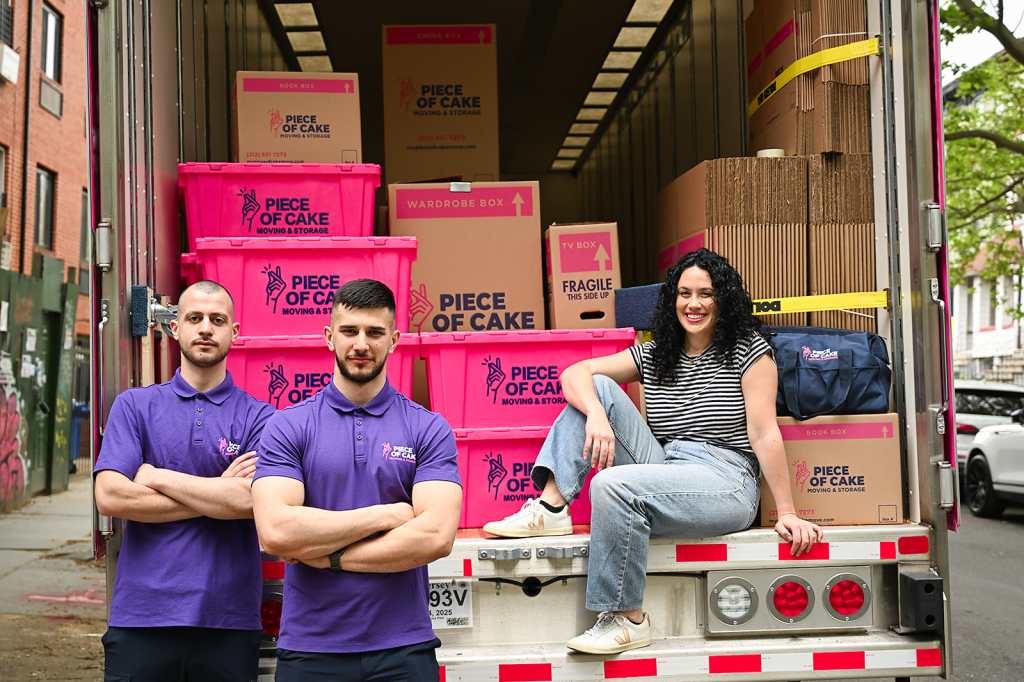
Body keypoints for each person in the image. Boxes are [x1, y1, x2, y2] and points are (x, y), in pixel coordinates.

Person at [483, 248, 823, 655]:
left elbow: (765, 434)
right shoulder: (656, 353)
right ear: (671, 299)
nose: (693, 304)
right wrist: (595, 414)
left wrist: (786, 511)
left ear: (724, 298)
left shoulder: (749, 351)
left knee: (613, 485)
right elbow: (574, 373)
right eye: (684, 293)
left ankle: (627, 618)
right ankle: (551, 508)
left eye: (705, 294)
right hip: (666, 463)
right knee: (600, 388)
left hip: (726, 479)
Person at [252, 278, 462, 681]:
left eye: (374, 332)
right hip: (310, 649)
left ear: (395, 339)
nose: (361, 344)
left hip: (403, 648)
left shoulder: (428, 428)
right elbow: (276, 532)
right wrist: (384, 515)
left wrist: (329, 557)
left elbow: (435, 536)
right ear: (330, 337)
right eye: (349, 331)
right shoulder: (288, 426)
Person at [94, 280, 275, 681]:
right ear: (175, 328)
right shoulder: (135, 406)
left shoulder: (261, 418)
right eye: (194, 318)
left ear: (235, 332)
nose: (206, 328)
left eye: (217, 319)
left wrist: (155, 476)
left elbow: (252, 501)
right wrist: (217, 492)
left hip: (227, 622)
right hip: (141, 619)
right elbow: (109, 495)